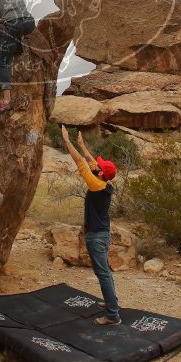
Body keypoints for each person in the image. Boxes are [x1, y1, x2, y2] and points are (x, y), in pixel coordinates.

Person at [59, 124, 121, 325]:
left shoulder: (96, 185)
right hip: (103, 233)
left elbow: (81, 163)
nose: (96, 165)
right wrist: (81, 144)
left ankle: (112, 315)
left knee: (102, 273)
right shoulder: (106, 182)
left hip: (96, 236)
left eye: (99, 167)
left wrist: (67, 141)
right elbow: (90, 161)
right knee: (103, 272)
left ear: (101, 174)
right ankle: (112, 303)